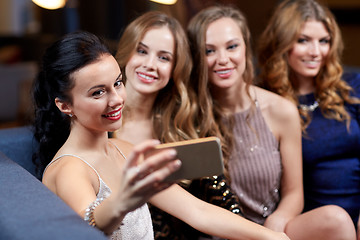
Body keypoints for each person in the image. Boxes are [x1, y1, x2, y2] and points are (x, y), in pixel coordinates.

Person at [32, 30, 290, 240]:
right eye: (98, 92)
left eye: (118, 83)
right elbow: (91, 225)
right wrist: (123, 200)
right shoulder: (69, 168)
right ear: (64, 105)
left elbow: (197, 211)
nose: (116, 99)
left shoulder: (125, 149)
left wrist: (271, 237)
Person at [113, 11, 291, 240]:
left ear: (176, 67)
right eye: (142, 51)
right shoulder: (100, 122)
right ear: (127, 51)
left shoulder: (179, 127)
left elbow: (220, 203)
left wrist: (265, 235)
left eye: (164, 57)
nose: (150, 65)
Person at [187, 5, 357, 239]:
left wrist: (273, 227)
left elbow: (293, 193)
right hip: (216, 231)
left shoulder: (280, 109)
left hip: (271, 227)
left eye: (232, 46)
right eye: (209, 51)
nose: (223, 59)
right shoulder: (185, 114)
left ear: (246, 48)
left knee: (335, 219)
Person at [257, 0, 360, 238]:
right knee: (336, 219)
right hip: (315, 221)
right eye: (303, 40)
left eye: (324, 41)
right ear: (282, 43)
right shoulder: (267, 102)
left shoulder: (351, 88)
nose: (316, 52)